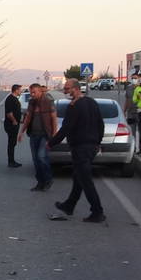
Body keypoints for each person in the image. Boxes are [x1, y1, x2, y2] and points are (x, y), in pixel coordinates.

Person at [49, 78, 105, 223]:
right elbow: (101, 124)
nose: (65, 91)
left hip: (80, 148)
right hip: (91, 147)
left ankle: (97, 212)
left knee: (86, 181)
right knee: (78, 177)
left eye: (67, 88)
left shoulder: (74, 106)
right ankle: (69, 205)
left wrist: (51, 143)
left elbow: (66, 128)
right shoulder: (92, 102)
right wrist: (98, 142)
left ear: (76, 88)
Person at [18, 83, 57, 191]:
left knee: (41, 156)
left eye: (34, 92)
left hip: (45, 134)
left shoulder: (48, 101)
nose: (32, 94)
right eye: (31, 92)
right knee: (35, 160)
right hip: (34, 134)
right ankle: (40, 182)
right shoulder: (32, 102)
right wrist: (21, 132)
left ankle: (48, 179)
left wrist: (54, 134)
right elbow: (28, 118)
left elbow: (54, 119)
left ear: (40, 91)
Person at [4, 84, 23, 168]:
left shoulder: (15, 98)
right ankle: (11, 162)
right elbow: (9, 113)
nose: (21, 91)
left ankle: (12, 161)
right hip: (11, 125)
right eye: (20, 90)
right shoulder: (10, 99)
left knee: (13, 143)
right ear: (16, 90)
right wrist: (14, 121)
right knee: (11, 143)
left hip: (14, 124)